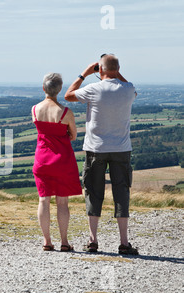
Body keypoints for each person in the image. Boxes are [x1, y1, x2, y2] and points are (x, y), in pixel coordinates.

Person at [64, 54, 139, 255]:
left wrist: (85, 73)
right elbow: (133, 91)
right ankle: (124, 242)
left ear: (100, 70)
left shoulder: (93, 88)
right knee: (121, 192)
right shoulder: (128, 89)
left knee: (93, 191)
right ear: (118, 68)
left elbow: (68, 95)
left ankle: (93, 241)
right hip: (121, 149)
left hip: (95, 148)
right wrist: (114, 72)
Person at [32, 73, 82, 252]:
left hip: (42, 159)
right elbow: (74, 135)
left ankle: (47, 241)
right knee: (62, 203)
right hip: (62, 160)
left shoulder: (35, 109)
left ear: (43, 88)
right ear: (60, 89)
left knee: (43, 200)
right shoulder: (66, 113)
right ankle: (64, 241)